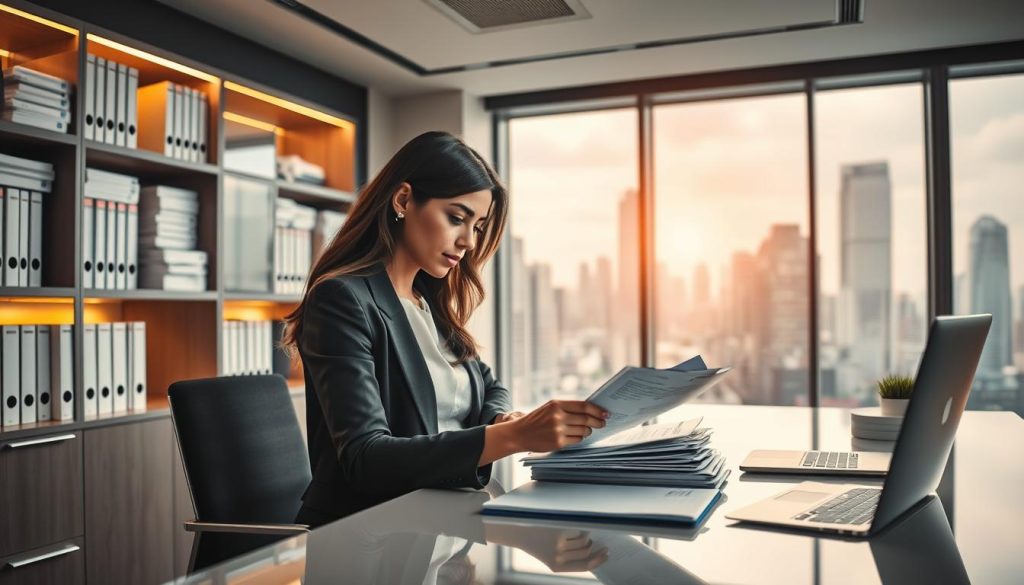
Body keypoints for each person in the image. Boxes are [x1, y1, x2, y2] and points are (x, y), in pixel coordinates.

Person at [282, 131, 608, 526]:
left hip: (442, 525)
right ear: (403, 200)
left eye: (478, 226)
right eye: (457, 218)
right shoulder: (343, 299)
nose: (469, 241)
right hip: (367, 537)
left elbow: (489, 385)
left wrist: (500, 419)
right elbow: (366, 459)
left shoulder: (426, 302)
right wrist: (516, 436)